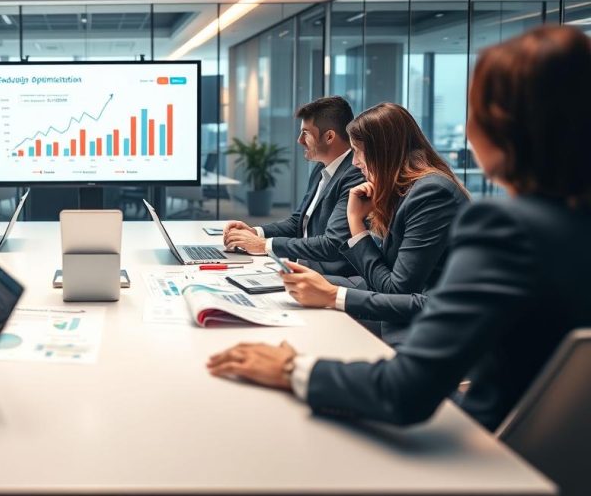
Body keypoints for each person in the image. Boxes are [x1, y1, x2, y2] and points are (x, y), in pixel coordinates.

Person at [206, 24, 591, 431]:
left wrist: (291, 368)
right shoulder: (568, 225)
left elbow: (404, 390)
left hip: (488, 448)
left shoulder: (504, 228)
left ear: (497, 123)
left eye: (473, 110)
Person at [279, 103, 469, 345]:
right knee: (293, 302)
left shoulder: (431, 194)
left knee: (310, 332)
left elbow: (394, 290)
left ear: (383, 152)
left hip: (426, 331)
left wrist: (355, 222)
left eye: (358, 151)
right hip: (405, 314)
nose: (356, 162)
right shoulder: (408, 190)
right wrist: (319, 283)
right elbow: (384, 279)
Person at [223, 96, 365, 277]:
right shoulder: (322, 168)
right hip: (302, 268)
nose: (299, 140)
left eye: (305, 133)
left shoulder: (355, 175)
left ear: (329, 136)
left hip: (330, 280)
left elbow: (332, 244)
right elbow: (298, 222)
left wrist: (263, 245)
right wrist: (256, 232)